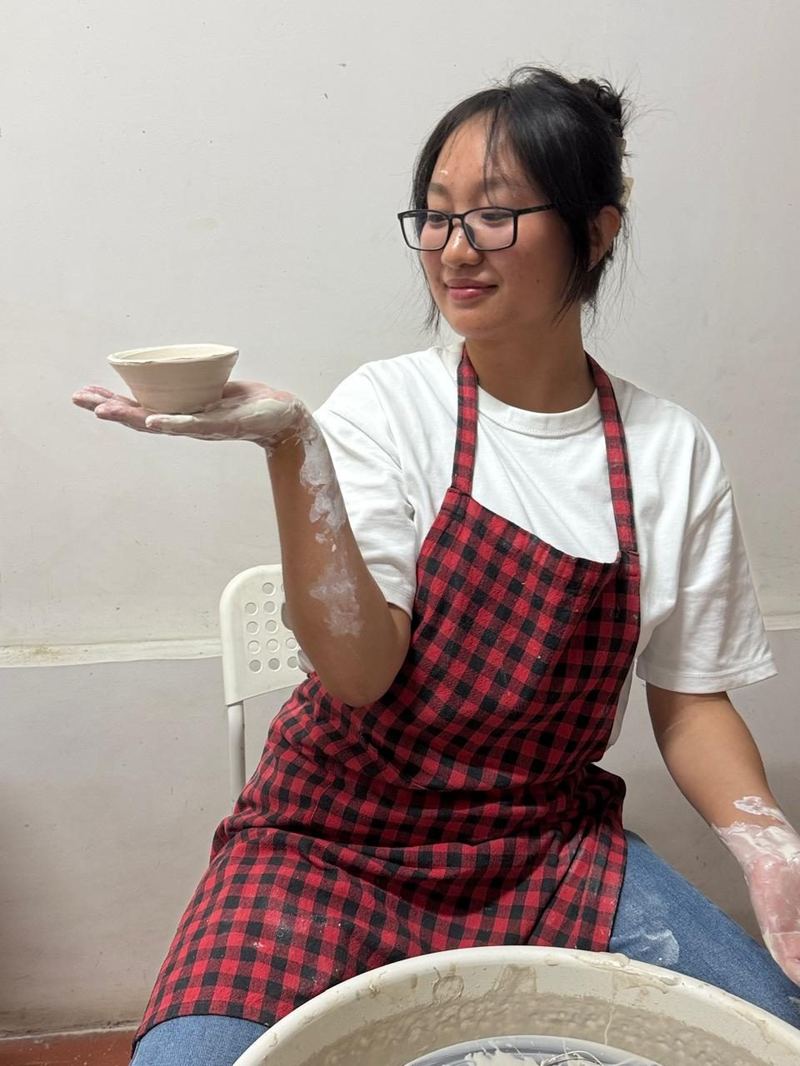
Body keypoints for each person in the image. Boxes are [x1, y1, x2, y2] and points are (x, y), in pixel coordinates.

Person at [73, 65, 800, 1065]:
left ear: (595, 232)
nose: (454, 248)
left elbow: (686, 700)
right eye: (436, 215)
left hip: (544, 847)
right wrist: (295, 448)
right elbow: (358, 672)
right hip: (327, 843)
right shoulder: (387, 407)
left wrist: (765, 841)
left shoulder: (667, 450)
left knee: (769, 1034)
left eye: (495, 217)